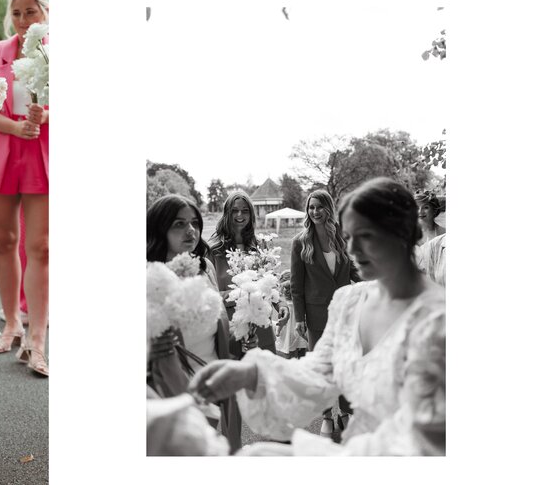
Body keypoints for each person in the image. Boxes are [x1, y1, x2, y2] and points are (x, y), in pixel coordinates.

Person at [190, 178, 445, 456]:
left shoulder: (438, 320)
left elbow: (430, 436)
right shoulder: (350, 302)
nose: (353, 251)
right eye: (349, 237)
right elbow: (317, 373)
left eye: (367, 236)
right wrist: (251, 373)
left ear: (404, 234)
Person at [0, 0, 49, 377]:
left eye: (30, 12)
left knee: (41, 247)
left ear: (45, 14)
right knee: (4, 240)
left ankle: (37, 338)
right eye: (17, 12)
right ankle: (12, 323)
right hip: (0, 153)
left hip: (43, 155)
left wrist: (45, 115)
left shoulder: (57, 54)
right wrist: (15, 127)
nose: (22, 20)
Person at [146, 194, 240, 452]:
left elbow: (216, 324)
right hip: (170, 391)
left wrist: (240, 335)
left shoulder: (205, 267)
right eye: (179, 224)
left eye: (194, 223)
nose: (191, 230)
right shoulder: (149, 277)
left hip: (212, 384)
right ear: (159, 228)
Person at [291, 190, 360, 438]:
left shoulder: (341, 236)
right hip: (316, 314)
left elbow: (353, 268)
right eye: (311, 207)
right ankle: (327, 417)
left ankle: (344, 412)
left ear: (329, 208)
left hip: (343, 313)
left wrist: (374, 282)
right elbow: (297, 286)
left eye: (320, 207)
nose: (315, 212)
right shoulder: (300, 241)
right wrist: (299, 318)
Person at [207, 192, 276, 355]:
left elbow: (270, 282)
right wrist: (238, 295)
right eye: (234, 210)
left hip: (260, 323)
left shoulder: (260, 246)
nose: (240, 215)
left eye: (245, 210)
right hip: (231, 325)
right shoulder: (212, 250)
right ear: (226, 214)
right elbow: (208, 295)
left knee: (263, 375)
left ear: (251, 214)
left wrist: (281, 305)